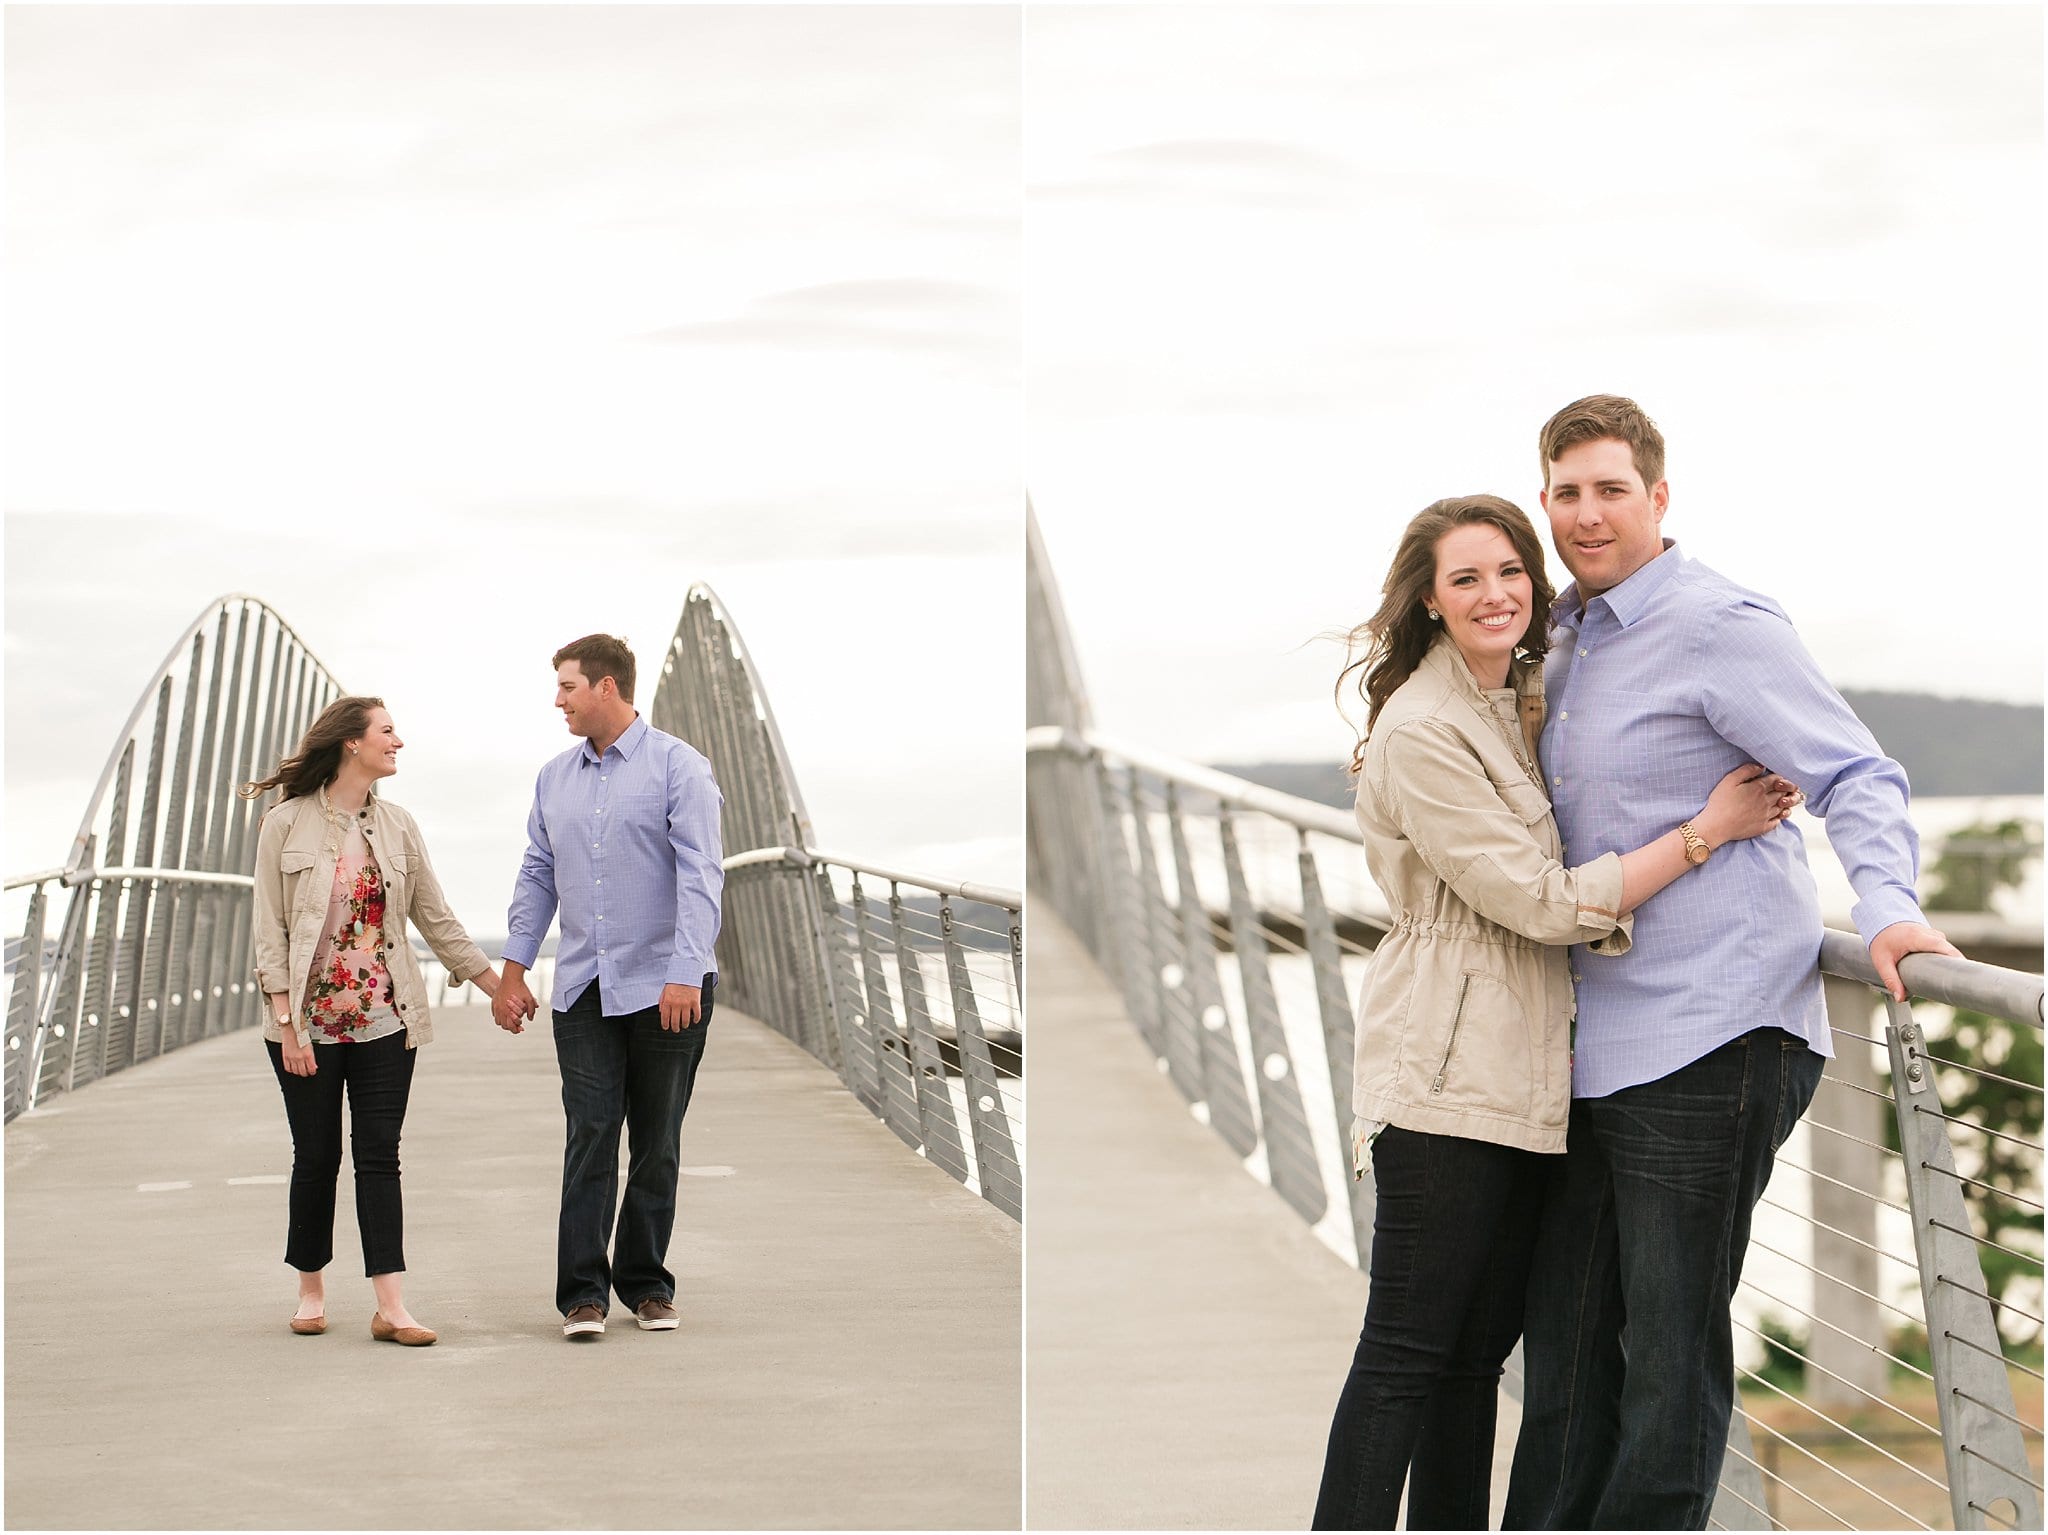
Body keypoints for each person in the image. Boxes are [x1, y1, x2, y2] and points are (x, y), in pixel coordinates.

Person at [1502, 396, 1961, 1530]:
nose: (1586, 512)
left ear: (1658, 497)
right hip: (1588, 1041)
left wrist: (1889, 906)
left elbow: (1855, 776)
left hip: (1714, 1029)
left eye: (1611, 488)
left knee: (1666, 1358)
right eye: (1565, 491)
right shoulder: (1556, 633)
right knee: (1561, 1354)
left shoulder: (1720, 625)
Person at [1312, 494, 1798, 1530]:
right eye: (1464, 579)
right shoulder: (1424, 730)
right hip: (1443, 1075)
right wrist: (1704, 831)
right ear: (1429, 603)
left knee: (1471, 1358)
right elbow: (1537, 898)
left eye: (1507, 573)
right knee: (1405, 1348)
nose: (1493, 595)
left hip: (1524, 1072)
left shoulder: (1514, 696)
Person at [247, 695, 506, 1346]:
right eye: (387, 732)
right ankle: (310, 1287)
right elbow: (268, 930)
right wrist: (287, 1024)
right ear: (351, 744)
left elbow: (436, 917)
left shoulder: (398, 826)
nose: (398, 742)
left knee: (379, 1157)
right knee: (317, 1155)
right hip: (308, 1024)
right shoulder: (284, 825)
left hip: (386, 1019)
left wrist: (495, 983)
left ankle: (391, 1304)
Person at [491, 634, 725, 1341]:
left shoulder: (679, 768)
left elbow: (701, 875)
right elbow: (537, 871)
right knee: (590, 1133)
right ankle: (583, 1294)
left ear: (607, 688)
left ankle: (647, 1283)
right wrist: (514, 966)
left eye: (567, 686)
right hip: (584, 986)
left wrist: (686, 969)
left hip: (667, 986)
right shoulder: (552, 778)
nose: (557, 699)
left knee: (657, 1140)